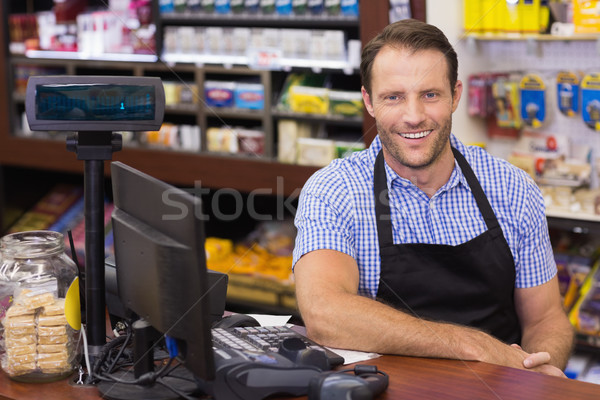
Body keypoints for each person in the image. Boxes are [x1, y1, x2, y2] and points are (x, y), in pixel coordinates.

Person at [292, 19, 574, 377]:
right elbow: (325, 313)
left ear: (455, 96)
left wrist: (538, 370)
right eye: (394, 97)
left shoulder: (512, 187)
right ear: (369, 102)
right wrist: (472, 347)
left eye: (430, 94)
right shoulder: (335, 190)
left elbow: (546, 318)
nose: (414, 116)